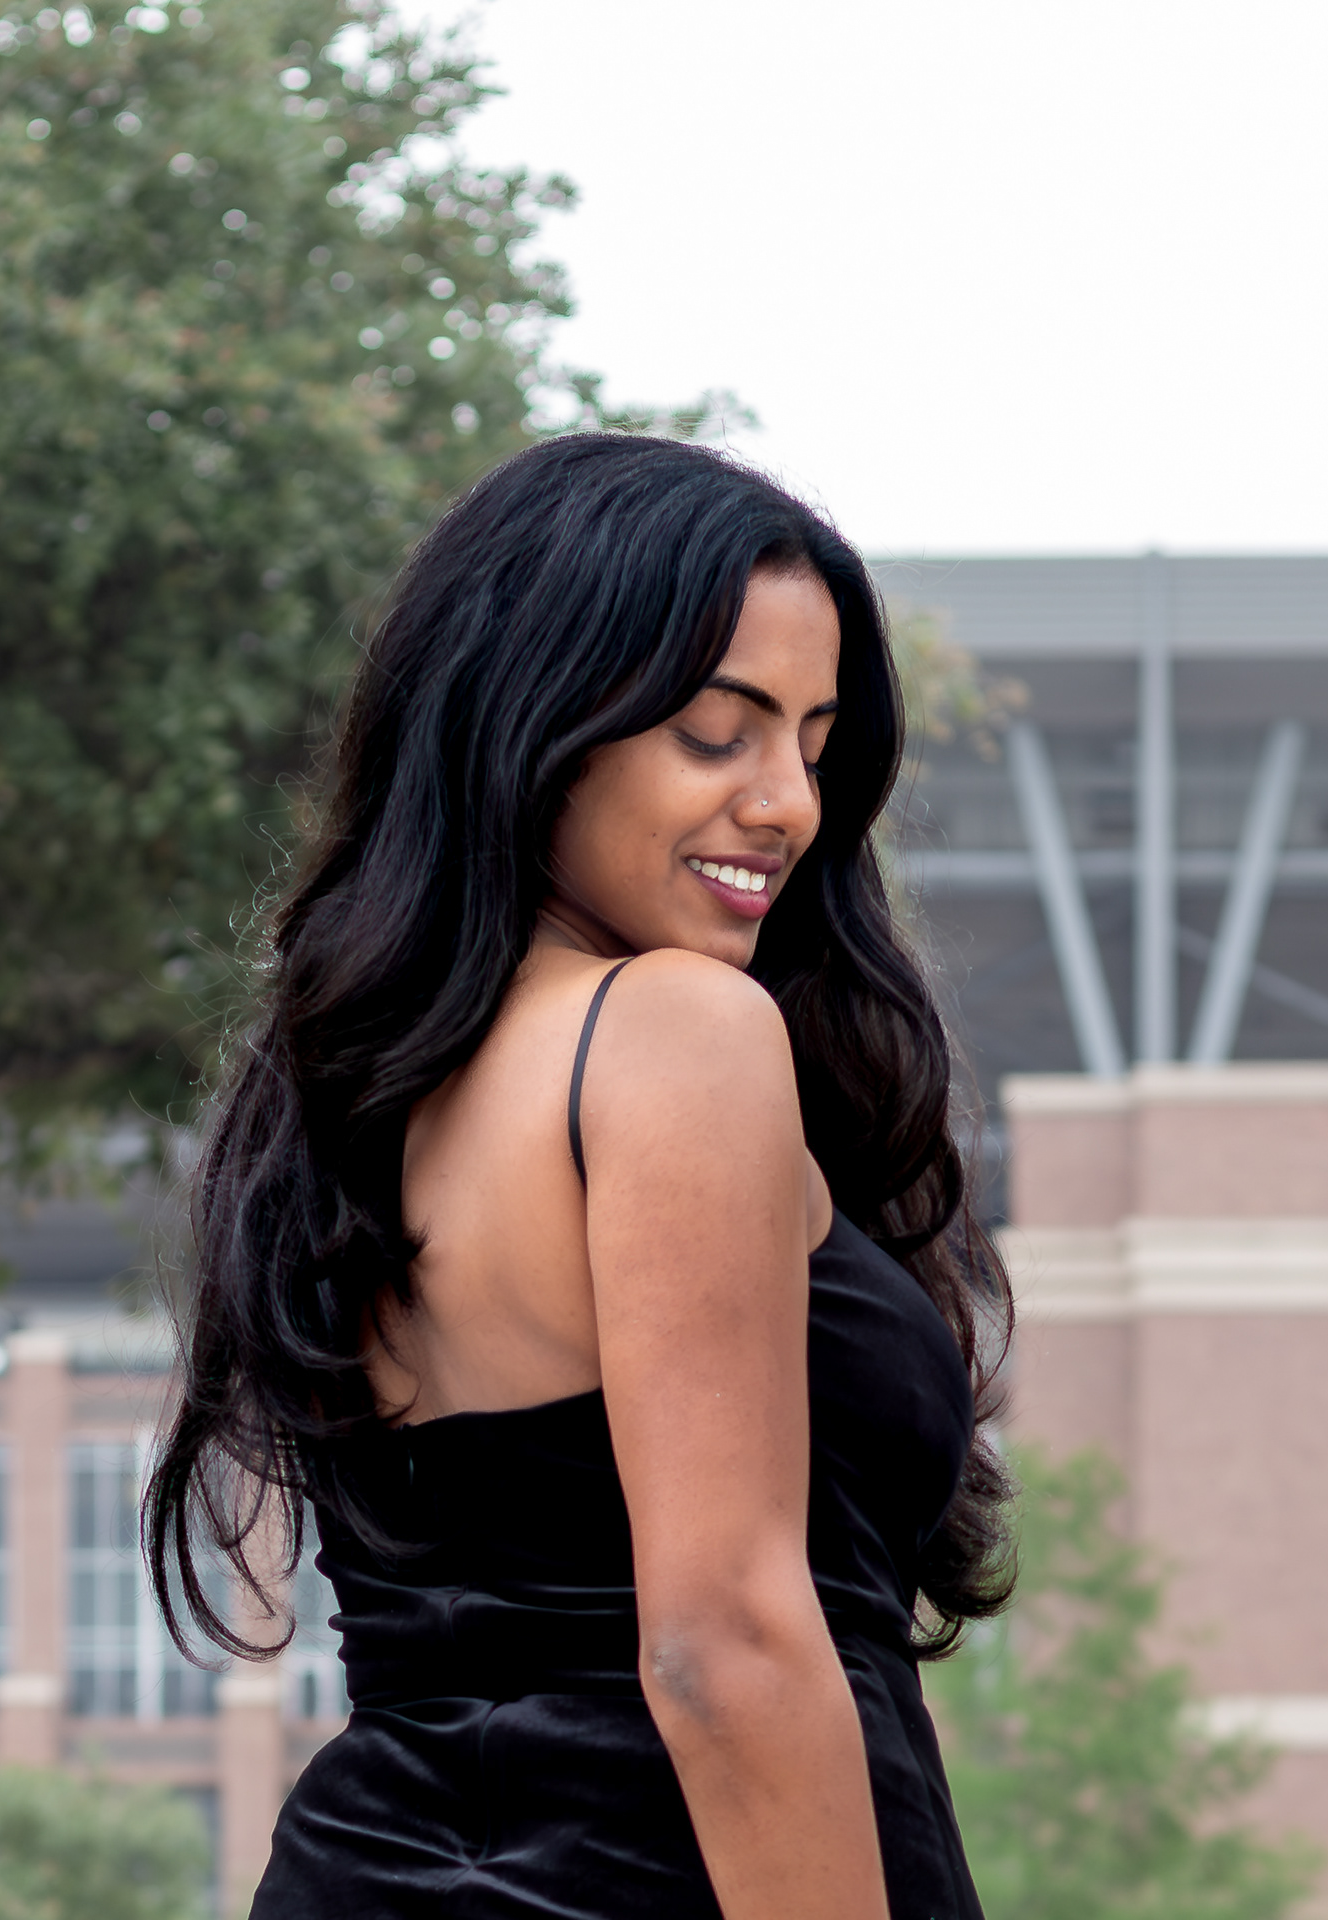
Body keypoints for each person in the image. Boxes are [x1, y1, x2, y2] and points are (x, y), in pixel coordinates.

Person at [143, 434, 1014, 1919]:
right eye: (717, 733)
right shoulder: (678, 1036)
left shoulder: (353, 1099)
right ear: (539, 720)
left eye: (811, 743)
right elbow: (722, 1647)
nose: (790, 806)